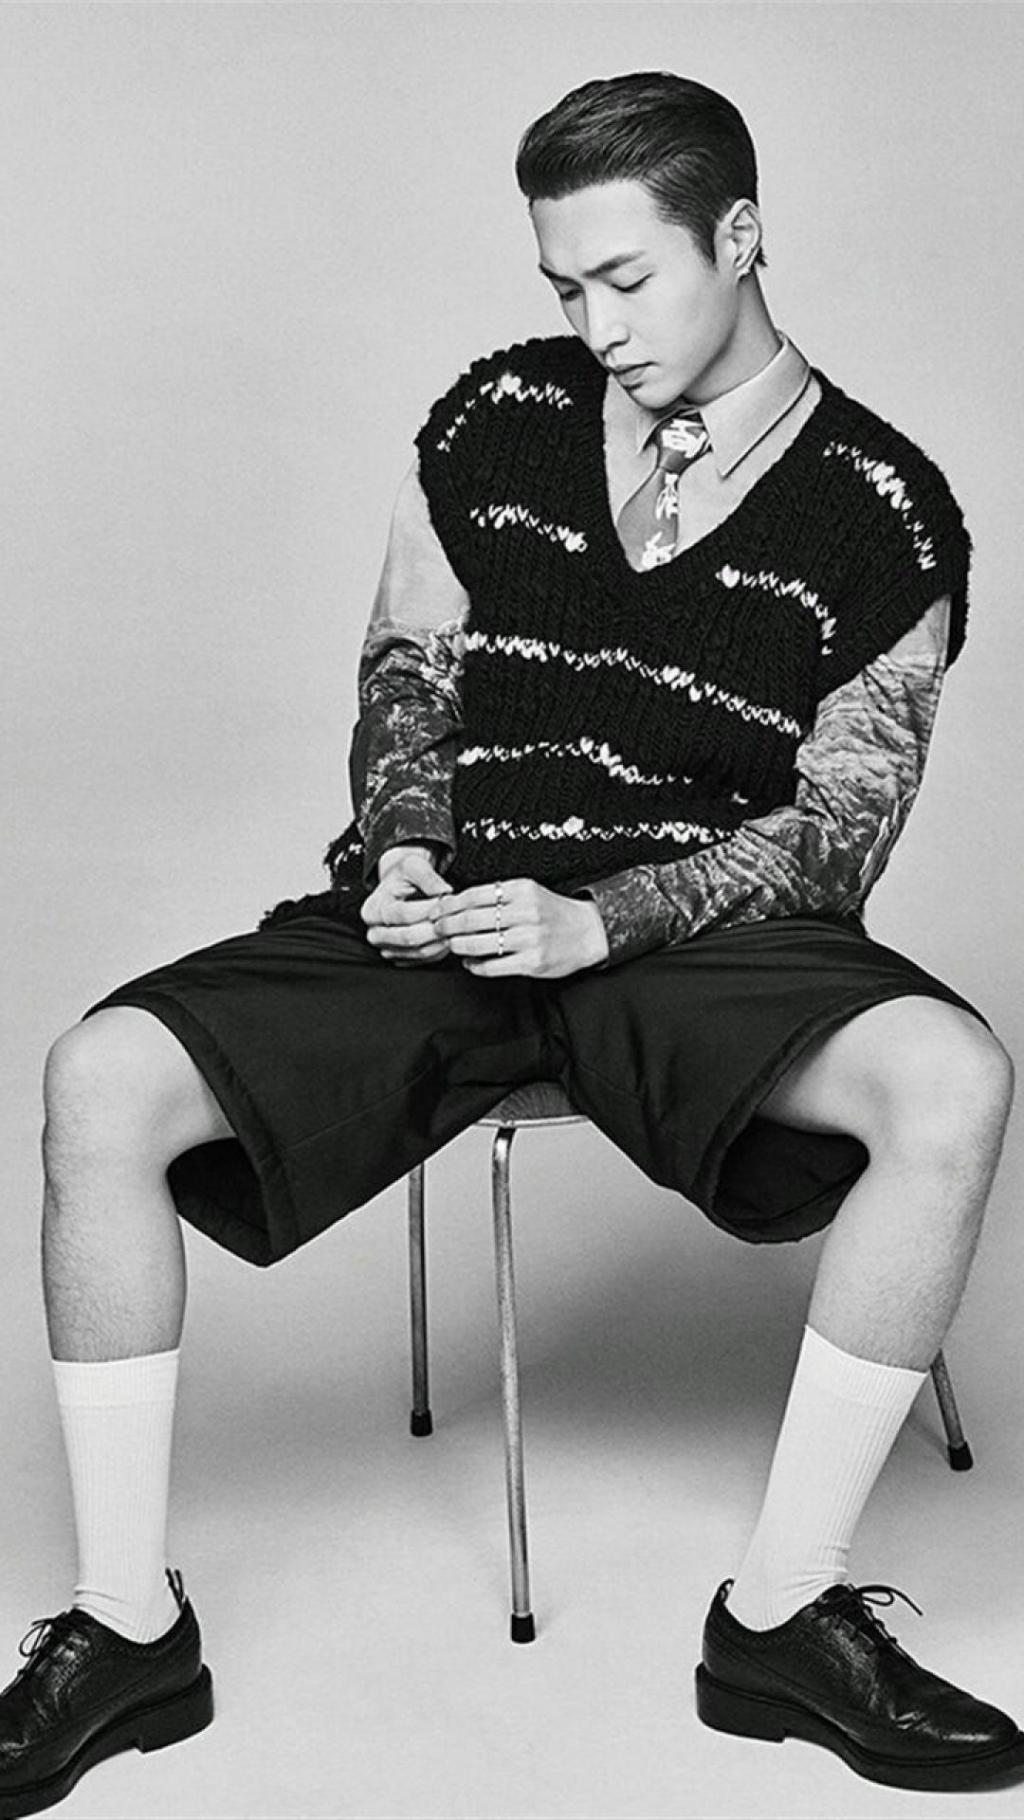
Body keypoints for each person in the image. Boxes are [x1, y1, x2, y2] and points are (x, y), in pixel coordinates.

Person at [1, 70, 1021, 1815]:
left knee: (955, 1079)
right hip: (464, 905)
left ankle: (782, 1615)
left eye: (627, 280)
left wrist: (604, 919)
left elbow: (837, 833)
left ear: (740, 237)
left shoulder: (888, 510)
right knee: (99, 1077)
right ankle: (126, 1627)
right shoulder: (491, 421)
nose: (595, 328)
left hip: (697, 928)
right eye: (564, 287)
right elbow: (409, 672)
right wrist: (407, 839)